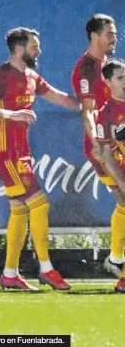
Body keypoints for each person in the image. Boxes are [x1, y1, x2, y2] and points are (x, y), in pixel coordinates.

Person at [0, 27, 80, 291]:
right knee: (39, 204)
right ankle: (46, 269)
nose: (39, 50)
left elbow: (60, 98)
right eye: (35, 46)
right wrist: (14, 114)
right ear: (20, 48)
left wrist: (91, 104)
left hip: (21, 152)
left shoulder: (32, 76)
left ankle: (10, 273)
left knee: (19, 210)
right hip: (4, 151)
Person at [71, 14, 122, 276]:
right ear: (95, 35)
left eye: (114, 34)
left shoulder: (111, 66)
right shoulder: (87, 69)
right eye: (110, 34)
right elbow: (87, 111)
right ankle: (116, 259)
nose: (115, 38)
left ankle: (116, 258)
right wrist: (97, 144)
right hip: (104, 145)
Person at [96, 59, 125, 293]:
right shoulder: (106, 113)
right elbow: (105, 155)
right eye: (120, 78)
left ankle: (116, 259)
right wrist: (122, 181)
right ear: (107, 82)